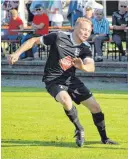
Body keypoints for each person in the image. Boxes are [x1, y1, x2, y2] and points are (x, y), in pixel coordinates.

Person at [8, 17, 117, 147]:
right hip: (53, 79)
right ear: (75, 27)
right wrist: (17, 53)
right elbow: (33, 40)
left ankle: (104, 138)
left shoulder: (85, 47)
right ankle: (79, 128)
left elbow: (91, 67)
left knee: (95, 107)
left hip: (71, 80)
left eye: (89, 31)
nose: (86, 33)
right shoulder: (58, 36)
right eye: (83, 29)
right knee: (66, 100)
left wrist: (82, 67)